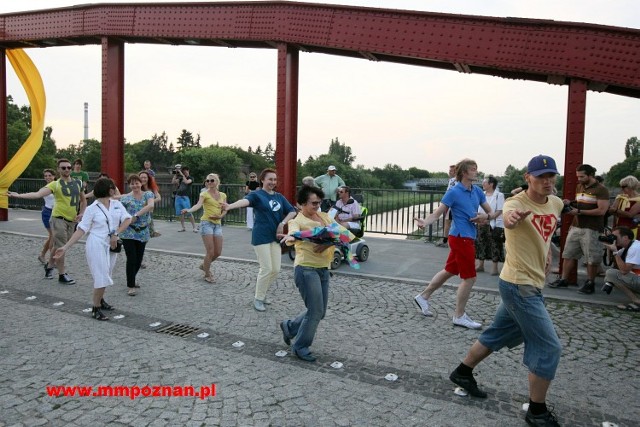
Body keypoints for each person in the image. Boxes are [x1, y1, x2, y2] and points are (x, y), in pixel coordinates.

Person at [448, 154, 564, 427]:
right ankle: (536, 412)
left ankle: (463, 372)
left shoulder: (556, 203)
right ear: (528, 178)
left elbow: (543, 233)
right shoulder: (515, 203)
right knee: (549, 347)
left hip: (533, 283)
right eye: (540, 177)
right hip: (517, 285)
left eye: (551, 177)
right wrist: (511, 219)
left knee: (497, 333)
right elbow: (510, 219)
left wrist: (546, 254)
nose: (546, 182)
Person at [413, 158, 496, 329]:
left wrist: (485, 217)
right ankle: (459, 315)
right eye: (473, 169)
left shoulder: (478, 191)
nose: (477, 172)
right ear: (464, 172)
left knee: (450, 270)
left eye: (476, 168)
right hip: (460, 238)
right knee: (470, 278)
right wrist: (424, 222)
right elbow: (438, 214)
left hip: (468, 236)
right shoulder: (453, 192)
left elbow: (492, 213)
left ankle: (423, 296)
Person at [279, 185, 353, 362]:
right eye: (313, 203)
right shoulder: (296, 221)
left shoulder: (325, 216)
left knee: (320, 311)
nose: (317, 206)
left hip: (323, 268)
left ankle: (289, 327)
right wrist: (293, 237)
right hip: (306, 268)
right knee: (315, 311)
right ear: (301, 204)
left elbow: (344, 234)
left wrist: (328, 243)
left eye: (319, 203)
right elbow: (294, 235)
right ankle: (300, 346)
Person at [53, 178, 131, 320]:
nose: (115, 189)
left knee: (107, 272)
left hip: (111, 244)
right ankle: (95, 308)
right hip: (96, 244)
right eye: (113, 187)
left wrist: (116, 233)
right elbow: (81, 229)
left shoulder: (117, 204)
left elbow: (127, 219)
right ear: (109, 190)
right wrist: (65, 247)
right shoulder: (91, 209)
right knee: (101, 275)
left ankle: (101, 299)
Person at [222, 168, 297, 312]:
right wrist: (230, 206)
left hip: (274, 237)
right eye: (270, 179)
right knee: (266, 268)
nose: (273, 182)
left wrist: (282, 223)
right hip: (261, 236)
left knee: (275, 269)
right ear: (262, 180)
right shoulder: (256, 195)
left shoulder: (279, 197)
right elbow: (244, 201)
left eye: (275, 180)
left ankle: (262, 294)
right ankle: (258, 298)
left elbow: (292, 211)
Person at [7, 158, 87, 284]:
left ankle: (49, 266)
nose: (66, 170)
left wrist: (82, 213)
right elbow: (37, 194)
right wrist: (18, 195)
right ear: (58, 170)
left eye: (68, 167)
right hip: (58, 218)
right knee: (62, 246)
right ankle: (62, 274)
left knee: (59, 245)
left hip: (72, 220)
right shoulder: (55, 184)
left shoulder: (78, 183)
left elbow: (83, 200)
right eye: (63, 168)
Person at [548, 164, 609, 294]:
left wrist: (579, 211)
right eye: (578, 176)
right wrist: (570, 203)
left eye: (582, 176)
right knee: (568, 253)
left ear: (590, 175)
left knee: (591, 257)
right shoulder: (580, 186)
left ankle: (590, 282)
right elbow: (581, 202)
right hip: (576, 226)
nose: (579, 179)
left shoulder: (601, 190)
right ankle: (563, 279)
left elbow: (602, 210)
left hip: (592, 228)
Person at [183, 173, 227, 283]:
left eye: (212, 180)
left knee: (218, 252)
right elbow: (198, 205)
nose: (209, 183)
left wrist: (220, 216)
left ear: (217, 182)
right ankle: (207, 273)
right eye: (207, 181)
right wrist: (188, 210)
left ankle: (204, 265)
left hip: (217, 224)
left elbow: (226, 208)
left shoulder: (223, 195)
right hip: (206, 223)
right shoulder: (204, 194)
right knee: (210, 252)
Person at [119, 174, 155, 296]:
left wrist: (136, 215)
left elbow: (151, 205)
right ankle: (131, 285)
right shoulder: (125, 199)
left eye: (137, 183)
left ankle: (132, 278)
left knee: (139, 260)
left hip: (143, 231)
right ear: (129, 185)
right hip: (128, 231)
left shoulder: (148, 194)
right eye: (132, 183)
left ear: (141, 183)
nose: (135, 185)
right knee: (132, 258)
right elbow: (119, 214)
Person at [602, 226, 640, 311]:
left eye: (615, 237)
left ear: (625, 237)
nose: (614, 239)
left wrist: (615, 251)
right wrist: (609, 246)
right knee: (610, 275)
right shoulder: (629, 247)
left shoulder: (635, 248)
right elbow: (612, 260)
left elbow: (624, 270)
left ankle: (637, 301)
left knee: (611, 274)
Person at [474, 176, 505, 276]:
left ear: (491, 184)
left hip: (493, 224)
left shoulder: (499, 195)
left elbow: (499, 210)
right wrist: (479, 219)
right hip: (481, 222)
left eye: (484, 182)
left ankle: (495, 268)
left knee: (495, 245)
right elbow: (477, 207)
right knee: (480, 243)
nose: (483, 184)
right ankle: (480, 265)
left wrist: (488, 219)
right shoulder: (481, 194)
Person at [434, 164, 457, 247]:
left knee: (448, 222)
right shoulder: (453, 180)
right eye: (449, 170)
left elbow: (449, 193)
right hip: (452, 205)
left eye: (451, 171)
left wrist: (444, 203)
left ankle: (445, 240)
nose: (449, 172)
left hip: (452, 205)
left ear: (455, 171)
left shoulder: (454, 180)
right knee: (449, 221)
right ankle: (448, 240)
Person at [38, 168, 56, 265]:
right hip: (47, 213)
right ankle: (52, 260)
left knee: (52, 236)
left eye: (49, 175)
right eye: (45, 176)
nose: (47, 177)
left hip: (57, 213)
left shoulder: (58, 186)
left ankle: (42, 255)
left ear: (54, 176)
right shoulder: (44, 189)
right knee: (53, 236)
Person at [172, 165, 197, 232]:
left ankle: (194, 227)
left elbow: (186, 182)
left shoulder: (191, 178)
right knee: (180, 213)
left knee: (189, 212)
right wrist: (175, 174)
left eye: (185, 171)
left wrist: (182, 175)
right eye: (183, 172)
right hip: (178, 197)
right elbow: (173, 182)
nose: (184, 173)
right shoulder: (180, 178)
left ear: (188, 171)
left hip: (185, 197)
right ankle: (183, 227)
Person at [139, 170, 161, 238]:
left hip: (149, 212)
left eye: (145, 177)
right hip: (139, 211)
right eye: (141, 177)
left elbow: (159, 198)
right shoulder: (137, 187)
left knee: (148, 230)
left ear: (148, 178)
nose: (143, 179)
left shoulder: (151, 188)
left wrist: (150, 202)